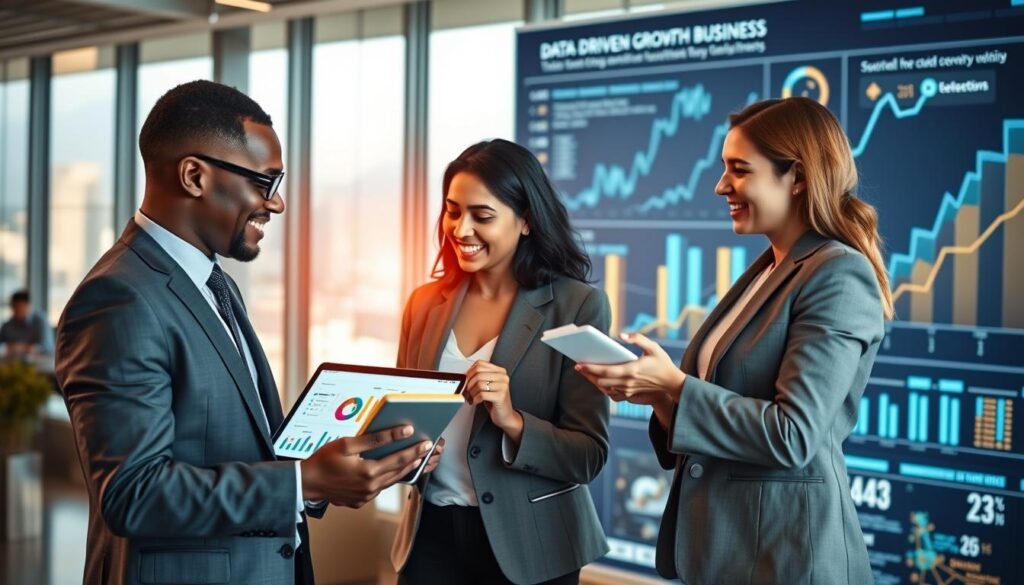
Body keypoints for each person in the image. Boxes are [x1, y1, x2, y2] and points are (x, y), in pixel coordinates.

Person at [56, 80, 441, 585]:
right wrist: (303, 482)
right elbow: (134, 493)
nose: (276, 205)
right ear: (194, 175)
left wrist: (329, 466)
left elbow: (242, 448)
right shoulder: (119, 300)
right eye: (265, 183)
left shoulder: (214, 283)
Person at [576, 97, 891, 584]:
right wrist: (658, 393)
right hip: (728, 552)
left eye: (739, 170)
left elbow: (794, 435)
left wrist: (677, 389)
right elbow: (717, 400)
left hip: (786, 561)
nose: (722, 185)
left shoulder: (838, 274)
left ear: (799, 177)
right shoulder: (769, 267)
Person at [392, 139, 611, 585]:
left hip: (533, 545)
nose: (461, 229)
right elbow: (405, 418)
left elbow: (588, 455)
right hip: (431, 535)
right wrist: (407, 450)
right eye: (453, 211)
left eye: (482, 216)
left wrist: (512, 421)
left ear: (527, 220)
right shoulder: (424, 304)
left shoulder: (576, 305)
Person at [0, 290, 54, 357]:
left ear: (29, 305)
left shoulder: (40, 321)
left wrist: (20, 348)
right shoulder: (7, 325)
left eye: (19, 307)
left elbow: (47, 348)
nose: (16, 310)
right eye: (14, 307)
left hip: (38, 364)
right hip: (12, 363)